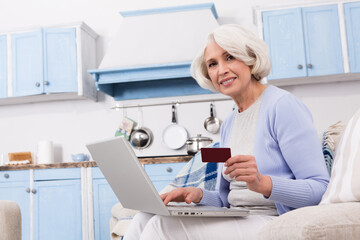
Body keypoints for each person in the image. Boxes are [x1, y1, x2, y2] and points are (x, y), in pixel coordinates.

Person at [123, 24, 330, 240]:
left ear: (250, 58)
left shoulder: (282, 106)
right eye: (212, 64)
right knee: (144, 217)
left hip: (273, 220)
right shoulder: (230, 121)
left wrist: (263, 183)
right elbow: (226, 199)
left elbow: (320, 188)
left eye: (230, 57)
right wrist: (197, 195)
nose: (221, 70)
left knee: (161, 227)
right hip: (240, 217)